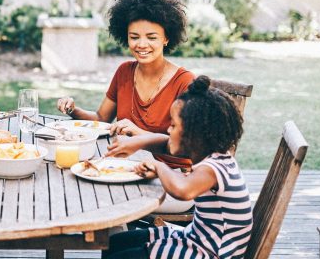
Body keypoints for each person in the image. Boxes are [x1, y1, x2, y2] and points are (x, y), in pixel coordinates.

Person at [103, 76, 251, 259]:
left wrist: (158, 166)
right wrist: (136, 143)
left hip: (211, 252)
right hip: (196, 238)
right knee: (115, 243)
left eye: (173, 125)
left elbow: (183, 190)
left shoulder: (213, 168)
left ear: (193, 135)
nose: (168, 130)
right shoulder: (209, 153)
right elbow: (166, 144)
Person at [56, 0, 195, 156]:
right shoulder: (124, 72)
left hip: (167, 172)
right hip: (124, 165)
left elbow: (186, 146)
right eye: (134, 37)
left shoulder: (184, 82)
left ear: (166, 38)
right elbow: (101, 119)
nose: (142, 44)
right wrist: (72, 110)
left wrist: (138, 133)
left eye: (152, 37)